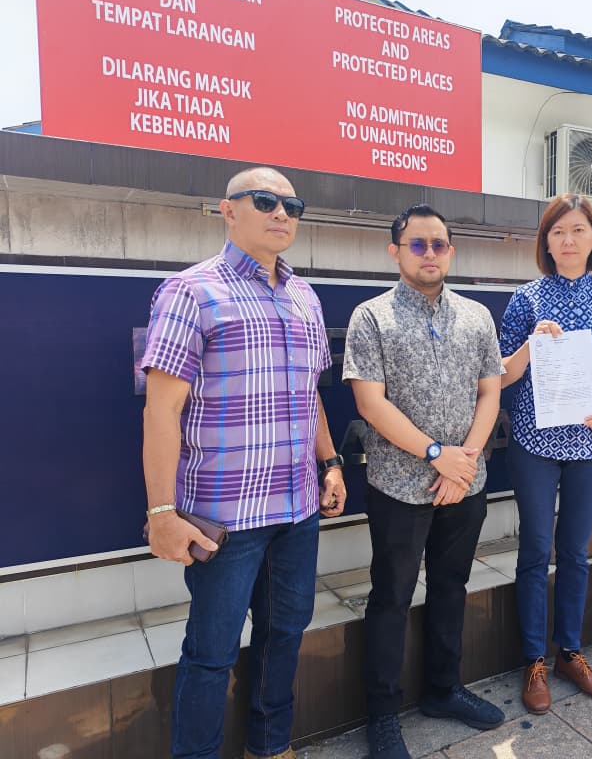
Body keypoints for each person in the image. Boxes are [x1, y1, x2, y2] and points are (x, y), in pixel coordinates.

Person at [141, 167, 347, 759]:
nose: (282, 213)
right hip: (225, 519)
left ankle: (271, 746)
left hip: (298, 511)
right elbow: (161, 411)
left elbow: (309, 396)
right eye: (265, 201)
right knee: (211, 653)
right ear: (228, 210)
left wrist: (331, 463)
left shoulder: (305, 296)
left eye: (292, 205)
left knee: (284, 637)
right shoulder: (191, 292)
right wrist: (161, 512)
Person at [342, 204, 505, 759]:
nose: (429, 253)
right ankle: (383, 715)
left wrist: (466, 462)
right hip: (399, 487)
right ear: (396, 252)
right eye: (418, 244)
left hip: (465, 486)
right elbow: (370, 402)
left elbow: (490, 391)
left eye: (438, 244)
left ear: (450, 252)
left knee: (451, 587)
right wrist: (437, 455)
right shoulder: (371, 317)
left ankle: (442, 690)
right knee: (391, 597)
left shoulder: (477, 317)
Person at [499, 193, 592, 715]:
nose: (569, 239)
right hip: (534, 441)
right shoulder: (526, 299)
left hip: (590, 441)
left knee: (576, 551)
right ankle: (534, 659)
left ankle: (570, 653)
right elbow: (502, 373)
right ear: (546, 242)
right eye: (558, 231)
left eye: (578, 229)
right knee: (536, 549)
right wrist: (531, 345)